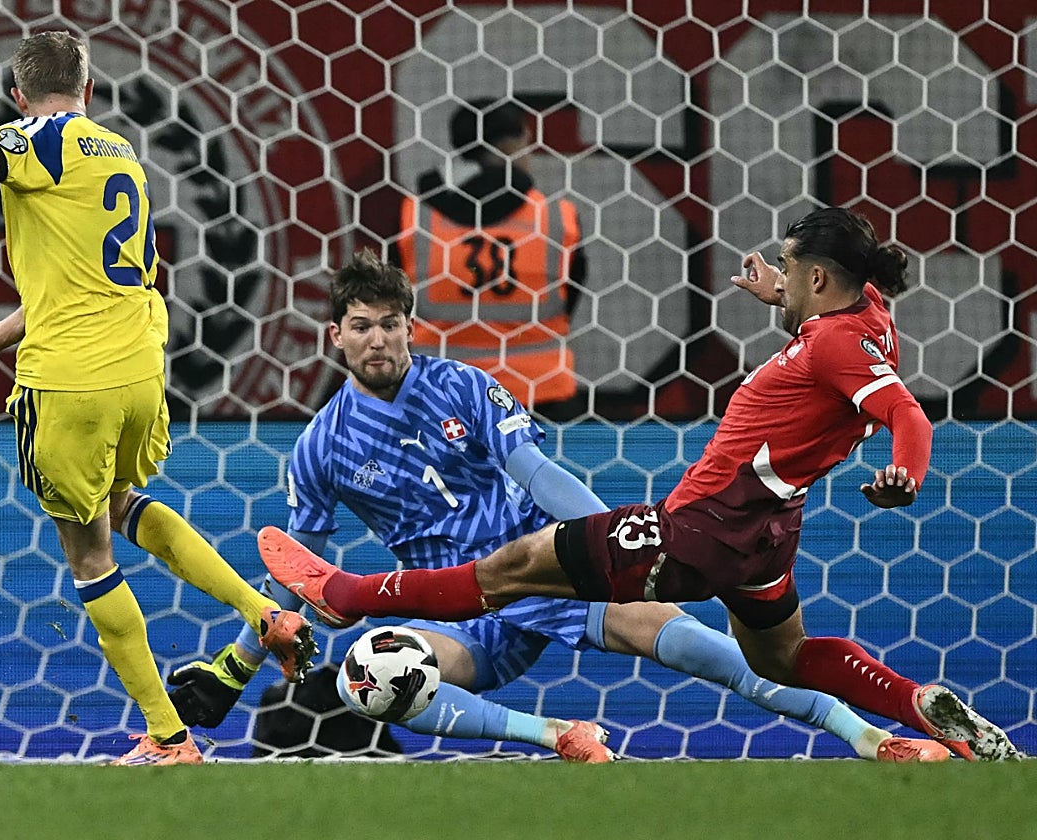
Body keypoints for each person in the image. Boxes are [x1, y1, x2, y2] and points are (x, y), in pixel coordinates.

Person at [257, 208, 1026, 761]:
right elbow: (839, 350)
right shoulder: (865, 320)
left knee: (515, 571)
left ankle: (353, 594)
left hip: (700, 527)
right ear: (338, 335)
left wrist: (907, 473)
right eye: (362, 325)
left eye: (788, 267)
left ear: (819, 277)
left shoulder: (459, 385)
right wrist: (784, 303)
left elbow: (904, 414)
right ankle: (892, 722)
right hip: (765, 536)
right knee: (777, 658)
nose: (380, 337)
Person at [0, 17, 316, 766]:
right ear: (91, 89)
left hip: (72, 380)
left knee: (89, 554)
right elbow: (75, 282)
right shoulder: (118, 150)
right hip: (139, 368)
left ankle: (168, 737)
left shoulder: (40, 138)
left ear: (17, 95)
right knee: (122, 500)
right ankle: (262, 611)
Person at [395, 98, 584, 418]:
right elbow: (570, 295)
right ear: (513, 144)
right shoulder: (556, 217)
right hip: (540, 398)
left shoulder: (415, 216)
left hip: (441, 396)